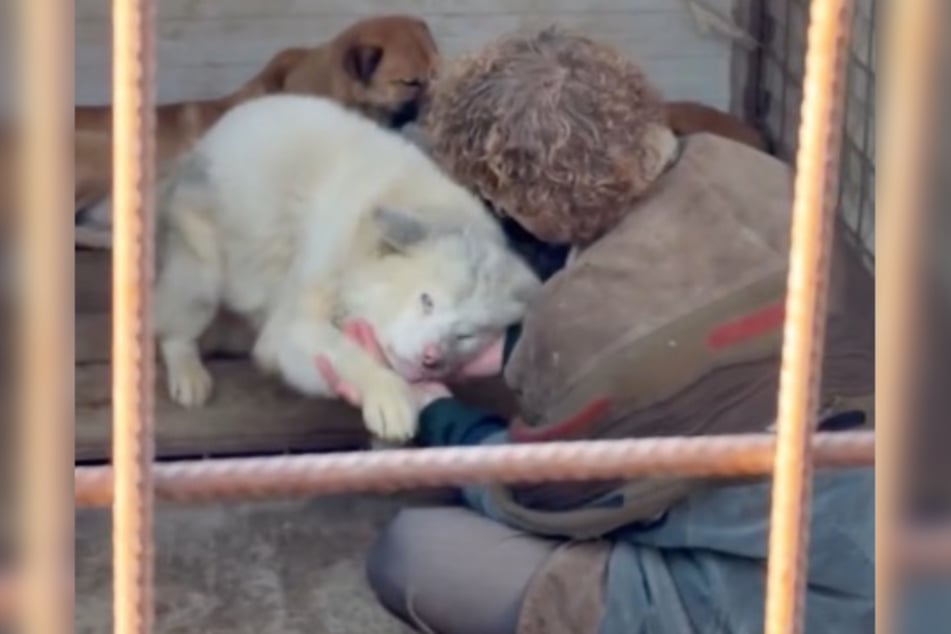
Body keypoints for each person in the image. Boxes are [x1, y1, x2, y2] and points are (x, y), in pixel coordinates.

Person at [317, 28, 878, 634]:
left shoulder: (580, 319)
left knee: (416, 552)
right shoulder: (755, 170)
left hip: (803, 604)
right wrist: (512, 351)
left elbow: (527, 497)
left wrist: (432, 409)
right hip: (895, 531)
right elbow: (698, 325)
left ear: (514, 199)